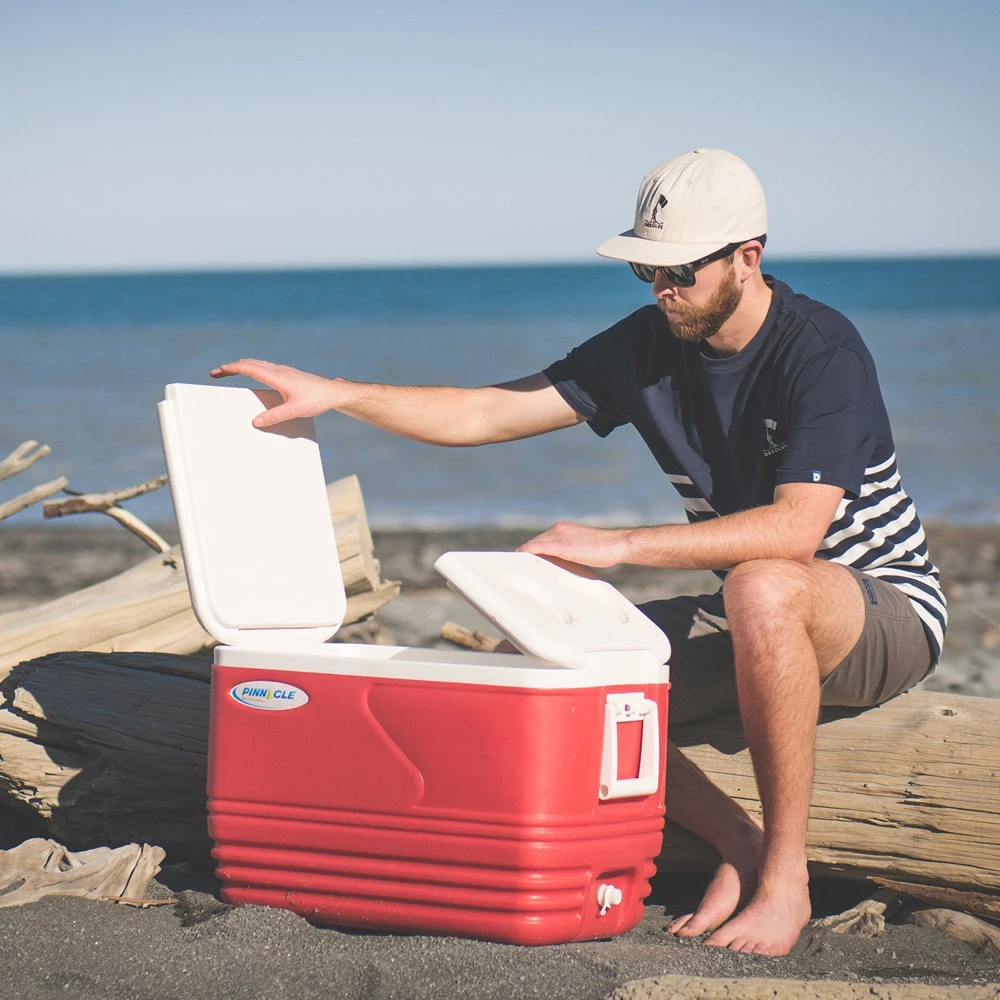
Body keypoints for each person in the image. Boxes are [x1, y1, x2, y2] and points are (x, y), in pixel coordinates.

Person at [211, 148, 945, 956]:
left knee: (766, 584)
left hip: (881, 610)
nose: (663, 290)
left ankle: (785, 878)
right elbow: (487, 414)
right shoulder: (650, 343)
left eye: (679, 272)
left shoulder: (821, 349)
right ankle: (735, 845)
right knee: (546, 663)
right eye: (645, 272)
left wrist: (618, 545)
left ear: (748, 257)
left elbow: (795, 533)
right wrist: (343, 395)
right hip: (751, 614)